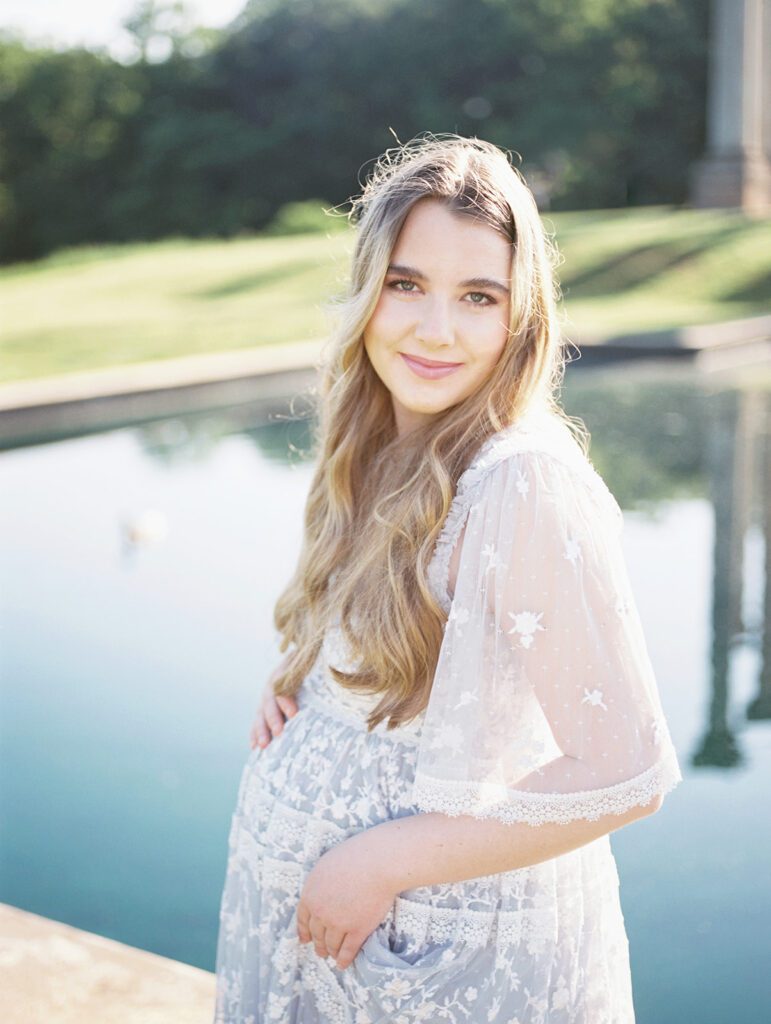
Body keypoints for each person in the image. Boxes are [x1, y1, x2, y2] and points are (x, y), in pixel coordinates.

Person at [212, 134, 682, 1024]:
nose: (436, 330)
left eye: (477, 297)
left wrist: (380, 863)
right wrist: (309, 684)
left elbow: (629, 770)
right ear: (366, 290)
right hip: (334, 946)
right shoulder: (376, 443)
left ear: (522, 316)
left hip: (439, 960)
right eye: (406, 284)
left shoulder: (519, 481)